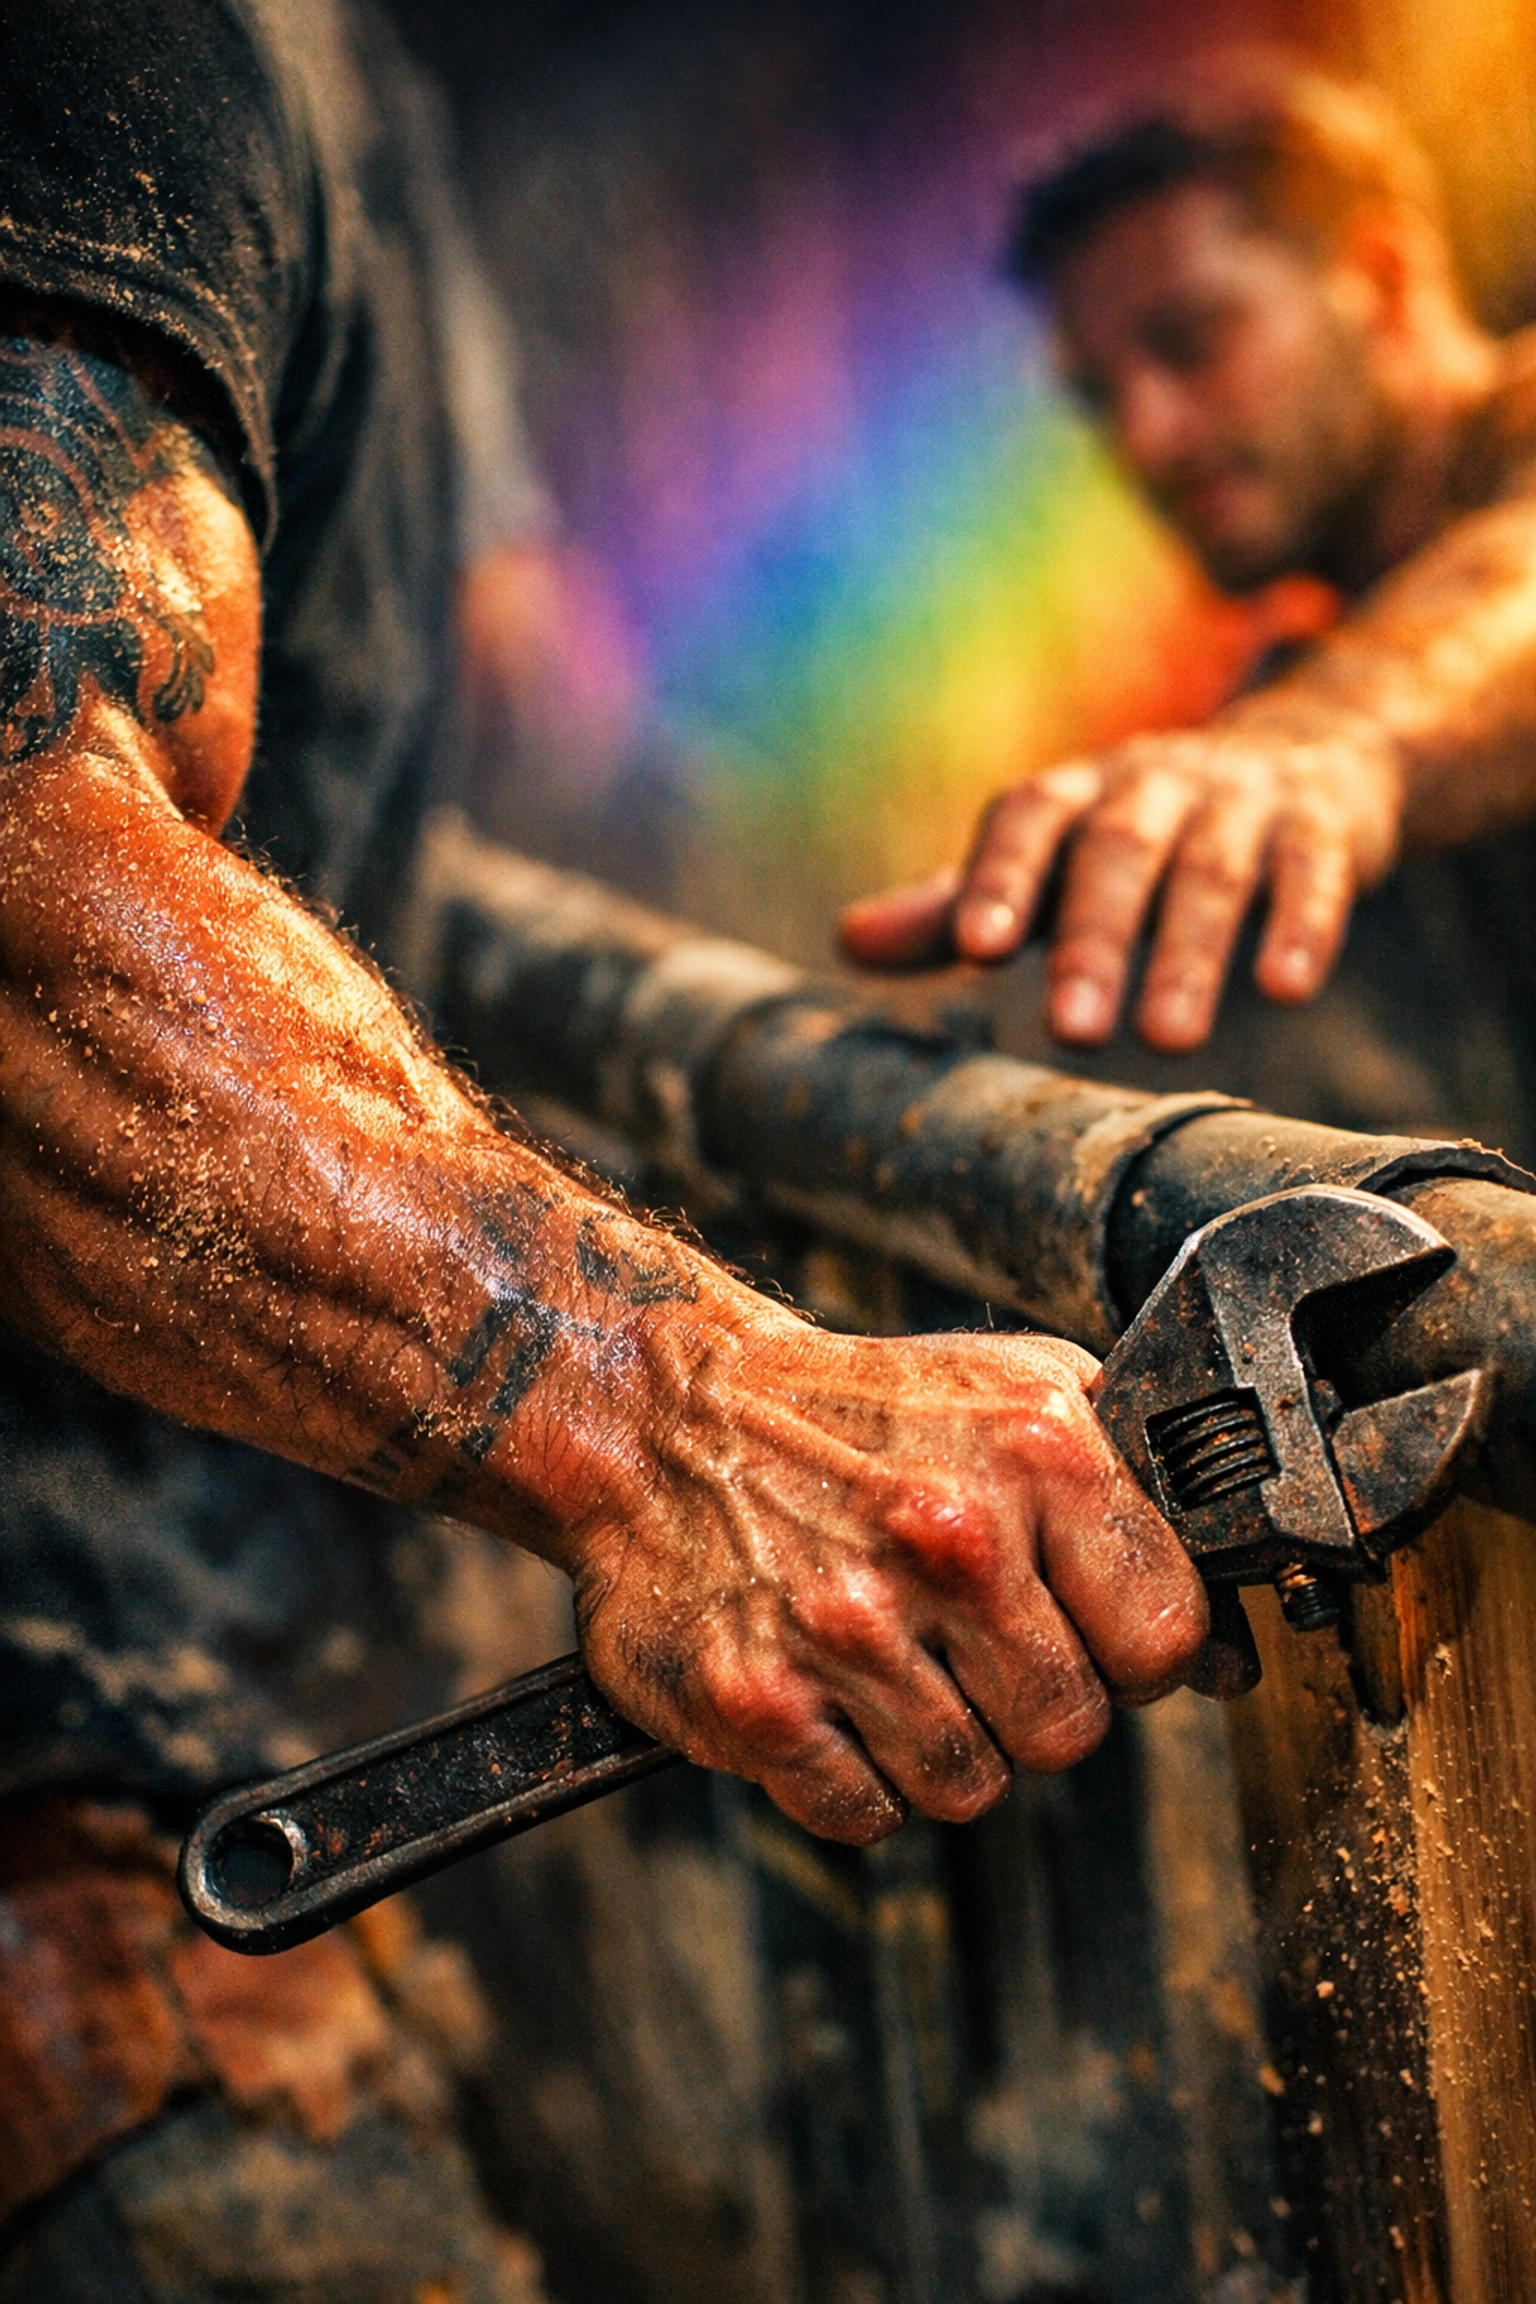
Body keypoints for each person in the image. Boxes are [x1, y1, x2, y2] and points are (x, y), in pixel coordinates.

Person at [0, 4, 1207, 2295]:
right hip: (88, 1959)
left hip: (220, 1859)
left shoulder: (315, 96)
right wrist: (676, 1419)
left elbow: (470, 660)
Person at [841, 63, 1536, 1150]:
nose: (1144, 441)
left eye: (1190, 342)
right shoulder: (1300, 674)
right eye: (1100, 398)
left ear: (1385, 279)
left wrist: (1329, 741)